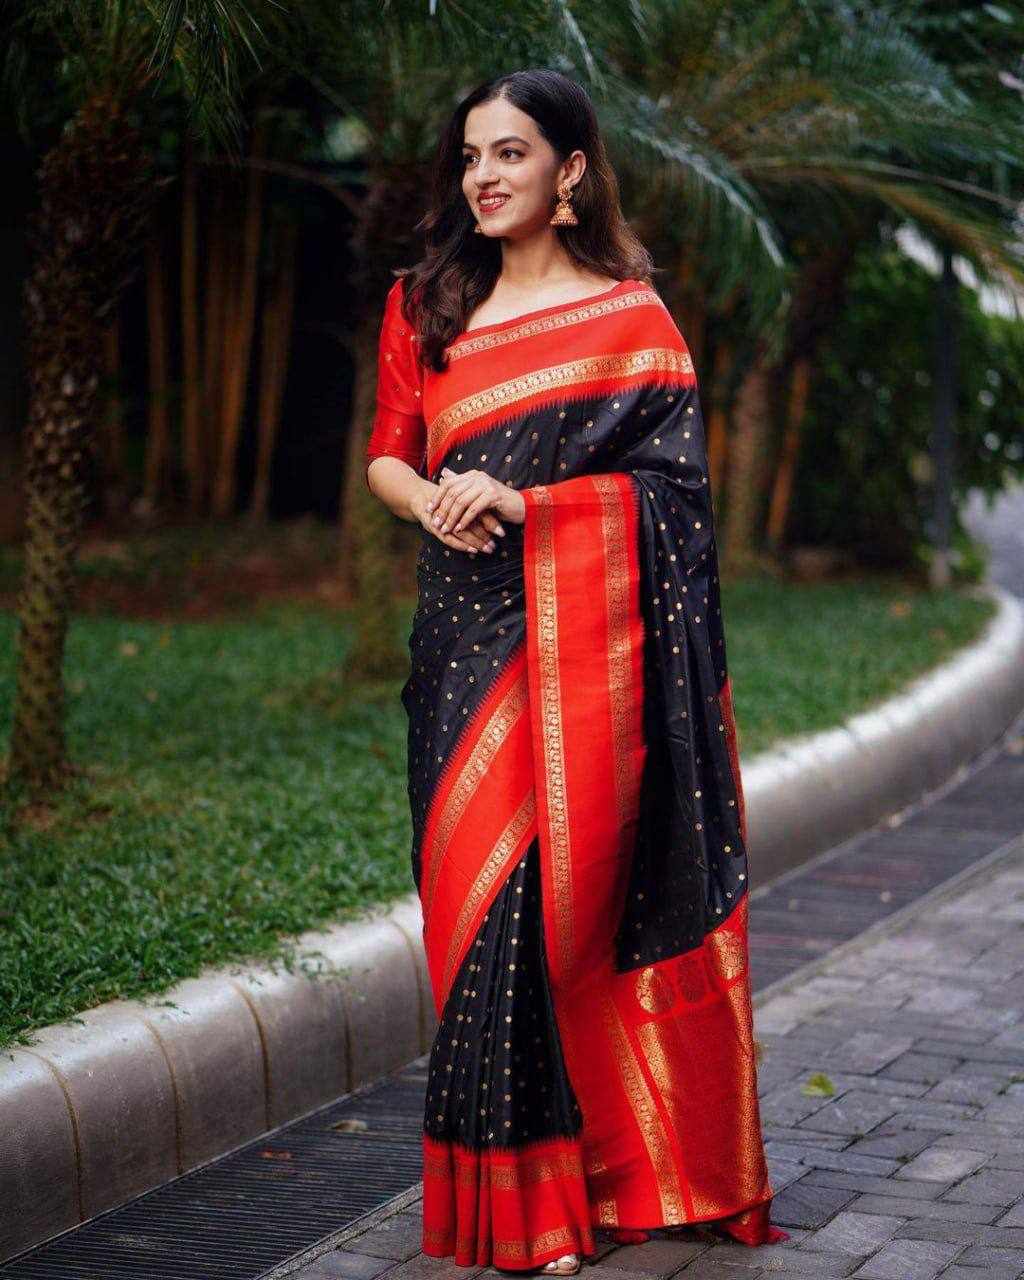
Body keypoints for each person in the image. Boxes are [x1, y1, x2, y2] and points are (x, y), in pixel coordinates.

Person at [364, 68, 788, 1276]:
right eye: (470, 157)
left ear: (571, 170)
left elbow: (675, 505)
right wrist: (430, 502)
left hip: (582, 648)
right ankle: (506, 1195)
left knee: (546, 915)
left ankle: (568, 1198)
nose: (482, 177)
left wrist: (531, 505)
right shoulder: (425, 305)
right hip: (461, 643)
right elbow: (387, 456)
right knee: (471, 907)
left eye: (509, 153)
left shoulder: (631, 322)